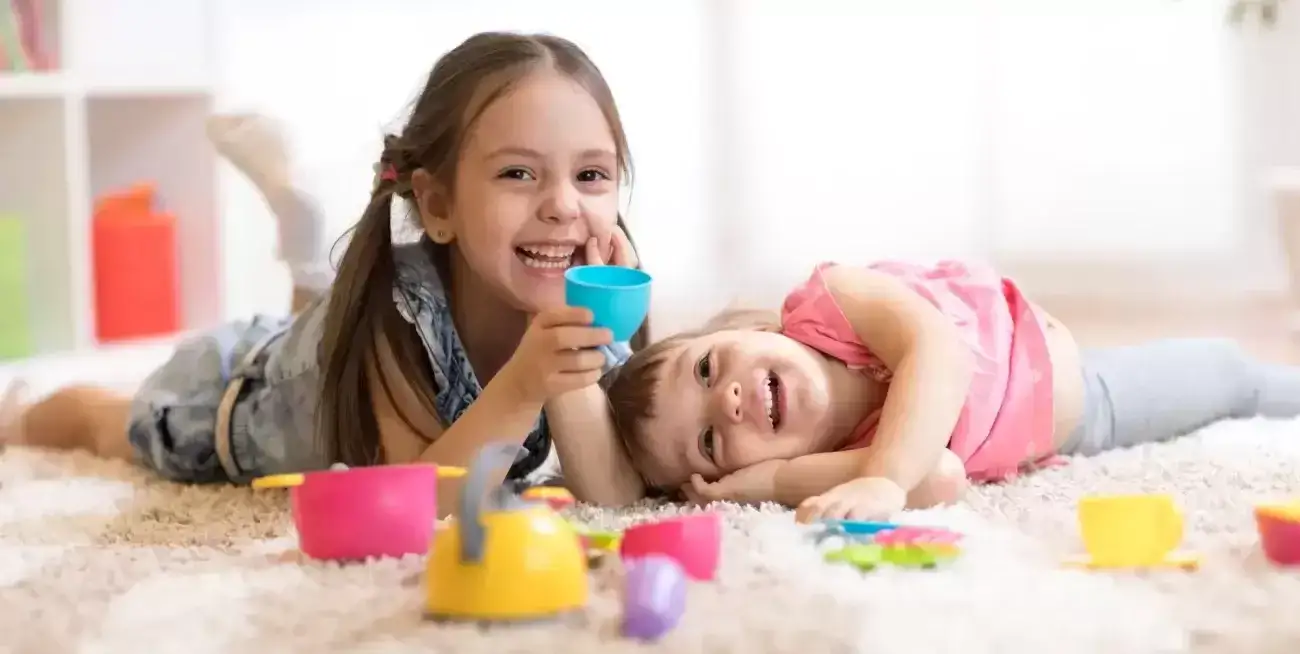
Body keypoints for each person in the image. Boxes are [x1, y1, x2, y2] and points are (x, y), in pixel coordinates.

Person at [0, 32, 650, 516]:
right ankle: (18, 411)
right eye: (519, 173)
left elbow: (613, 497)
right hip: (235, 392)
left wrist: (567, 358)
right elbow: (422, 502)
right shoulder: (401, 318)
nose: (564, 204)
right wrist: (526, 381)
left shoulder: (580, 315)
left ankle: (306, 253)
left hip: (315, 356)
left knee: (311, 332)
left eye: (591, 175)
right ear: (439, 205)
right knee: (107, 422)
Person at [600, 260, 1300, 523]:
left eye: (705, 369)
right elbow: (938, 475)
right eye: (712, 443)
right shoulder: (855, 460)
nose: (726, 401)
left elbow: (936, 350)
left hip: (1078, 381)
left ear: (746, 327)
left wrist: (880, 481)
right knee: (1212, 385)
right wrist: (771, 480)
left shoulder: (832, 299)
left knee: (1230, 377)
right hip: (1084, 426)